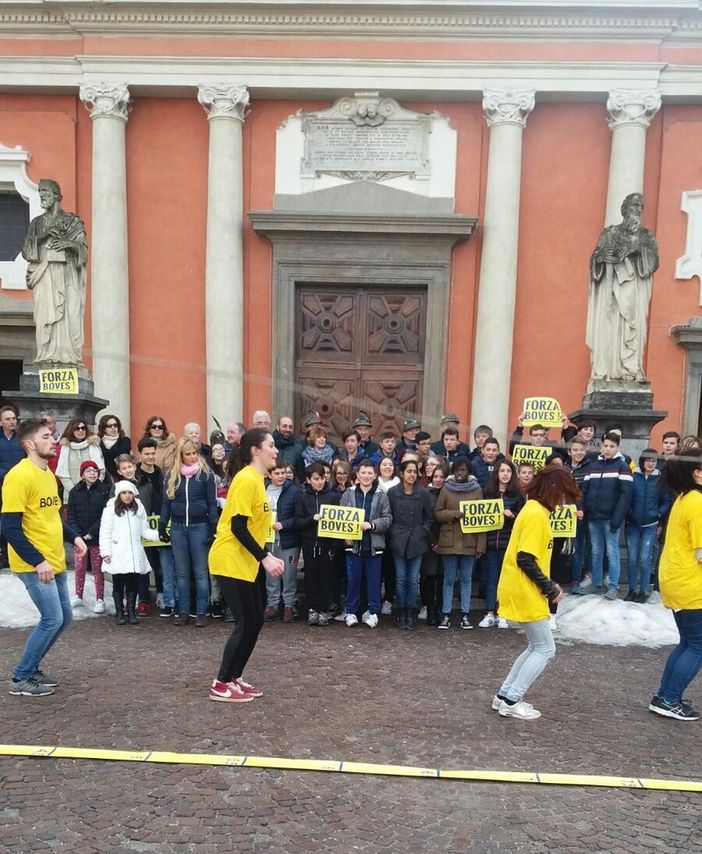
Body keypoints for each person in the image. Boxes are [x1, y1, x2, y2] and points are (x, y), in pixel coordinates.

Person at [1, 418, 87, 696]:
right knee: (51, 618)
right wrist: (38, 561)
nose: (53, 441)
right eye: (47, 436)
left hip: (53, 560)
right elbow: (9, 527)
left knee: (64, 618)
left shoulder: (48, 474)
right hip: (34, 563)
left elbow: (53, 517)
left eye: (53, 435)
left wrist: (73, 537)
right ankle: (20, 677)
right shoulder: (19, 476)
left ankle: (32, 667)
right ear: (29, 444)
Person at [492, 465, 580, 720]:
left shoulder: (533, 510)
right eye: (564, 495)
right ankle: (511, 699)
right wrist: (549, 587)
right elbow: (526, 558)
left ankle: (504, 696)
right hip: (525, 589)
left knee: (536, 646)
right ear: (554, 491)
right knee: (545, 649)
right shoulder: (536, 515)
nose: (564, 502)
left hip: (520, 586)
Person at [207, 428, 284, 703]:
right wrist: (265, 557)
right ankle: (220, 682)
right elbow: (238, 527)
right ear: (256, 450)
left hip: (244, 561)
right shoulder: (246, 480)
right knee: (244, 621)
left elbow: (252, 527)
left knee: (256, 619)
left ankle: (234, 678)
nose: (276, 451)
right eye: (271, 445)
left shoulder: (258, 481)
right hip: (229, 559)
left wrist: (263, 555)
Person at [648, 450, 702, 721]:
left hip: (678, 580)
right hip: (691, 583)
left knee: (688, 643)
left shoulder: (684, 498)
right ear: (697, 472)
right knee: (698, 645)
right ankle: (669, 699)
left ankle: (665, 696)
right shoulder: (697, 501)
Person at [586, 192, 659, 382]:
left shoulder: (646, 236)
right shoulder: (610, 233)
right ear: (624, 210)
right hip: (612, 292)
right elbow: (595, 258)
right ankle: (610, 370)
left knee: (632, 331)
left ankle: (630, 368)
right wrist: (602, 257)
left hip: (634, 291)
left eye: (640, 207)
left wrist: (635, 251)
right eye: (634, 206)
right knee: (610, 328)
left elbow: (653, 263)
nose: (637, 211)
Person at [21, 178, 88, 365]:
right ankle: (46, 355)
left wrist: (68, 244)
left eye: (46, 193)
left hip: (67, 278)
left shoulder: (72, 221)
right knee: (44, 317)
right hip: (44, 276)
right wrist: (44, 235)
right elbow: (27, 250)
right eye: (40, 193)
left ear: (57, 196)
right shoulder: (37, 223)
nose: (42, 196)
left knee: (67, 314)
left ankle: (66, 358)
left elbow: (83, 250)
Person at [160, 437, 218, 627]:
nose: (192, 457)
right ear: (180, 456)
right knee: (182, 573)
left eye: (194, 453)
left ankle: (201, 611)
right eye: (188, 454)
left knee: (201, 572)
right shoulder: (171, 475)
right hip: (177, 527)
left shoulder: (205, 474)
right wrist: (162, 525)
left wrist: (213, 526)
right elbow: (166, 503)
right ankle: (183, 611)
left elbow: (211, 503)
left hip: (199, 526)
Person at [434, 456, 485, 630]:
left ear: (468, 471)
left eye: (463, 470)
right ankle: (446, 614)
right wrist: (454, 514)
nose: (459, 473)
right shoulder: (446, 489)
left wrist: (480, 546)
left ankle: (465, 614)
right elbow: (438, 513)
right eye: (456, 470)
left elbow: (482, 520)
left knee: (466, 580)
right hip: (448, 542)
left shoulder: (477, 490)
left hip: (469, 542)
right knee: (448, 580)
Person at [340, 460, 392, 628]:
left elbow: (387, 518)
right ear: (357, 474)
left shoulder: (381, 495)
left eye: (370, 473)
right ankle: (351, 612)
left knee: (374, 581)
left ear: (374, 475)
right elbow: (341, 516)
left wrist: (372, 525)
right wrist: (344, 535)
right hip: (353, 546)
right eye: (363, 473)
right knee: (353, 581)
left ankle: (374, 612)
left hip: (373, 546)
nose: (366, 476)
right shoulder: (348, 494)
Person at [581, 431, 633, 599]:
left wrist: (617, 519)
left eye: (612, 446)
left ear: (618, 447)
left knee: (612, 553)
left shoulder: (622, 467)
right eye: (606, 446)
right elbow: (584, 490)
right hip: (594, 518)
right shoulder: (593, 466)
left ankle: (613, 586)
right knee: (596, 552)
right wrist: (583, 508)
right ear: (601, 446)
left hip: (611, 519)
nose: (608, 449)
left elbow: (625, 496)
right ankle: (596, 584)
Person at [100, 481, 159, 625]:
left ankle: (132, 611)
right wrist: (106, 552)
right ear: (119, 494)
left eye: (130, 493)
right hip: (118, 552)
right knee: (118, 583)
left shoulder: (138, 509)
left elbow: (143, 529)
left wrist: (158, 535)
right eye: (124, 493)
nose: (127, 496)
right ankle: (120, 612)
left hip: (134, 552)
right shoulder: (110, 510)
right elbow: (105, 532)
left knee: (133, 583)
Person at [387, 459, 433, 629]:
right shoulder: (392, 493)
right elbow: (388, 515)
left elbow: (429, 518)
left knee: (413, 579)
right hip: (399, 540)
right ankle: (400, 612)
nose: (412, 475)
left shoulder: (423, 494)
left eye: (415, 472)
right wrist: (394, 532)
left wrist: (422, 532)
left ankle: (411, 612)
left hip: (417, 540)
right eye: (409, 471)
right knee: (400, 579)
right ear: (402, 473)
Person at [479, 460, 525, 629]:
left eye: (508, 471)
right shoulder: (488, 493)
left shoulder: (517, 496)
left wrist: (512, 516)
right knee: (491, 579)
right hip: (491, 543)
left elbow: (522, 521)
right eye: (502, 471)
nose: (505, 474)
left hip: (508, 544)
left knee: (505, 580)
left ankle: (503, 613)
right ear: (496, 473)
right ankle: (490, 613)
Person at [294, 462, 341, 626]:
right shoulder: (302, 496)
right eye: (316, 479)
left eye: (322, 478)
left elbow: (338, 522)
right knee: (311, 578)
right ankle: (312, 609)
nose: (319, 482)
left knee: (326, 578)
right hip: (309, 542)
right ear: (308, 479)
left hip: (327, 544)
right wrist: (311, 519)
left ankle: (323, 609)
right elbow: (297, 521)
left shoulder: (333, 496)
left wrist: (335, 546)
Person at [625, 449, 670, 603]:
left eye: (654, 461)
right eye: (648, 460)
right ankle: (632, 590)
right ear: (642, 461)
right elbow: (627, 498)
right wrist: (630, 513)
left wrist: (658, 514)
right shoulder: (633, 477)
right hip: (632, 525)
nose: (651, 463)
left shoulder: (660, 480)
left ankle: (644, 591)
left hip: (650, 525)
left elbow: (666, 501)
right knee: (632, 559)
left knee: (645, 559)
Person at [66, 460, 110, 612]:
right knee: (80, 567)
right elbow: (70, 516)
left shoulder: (105, 490)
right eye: (89, 471)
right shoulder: (75, 491)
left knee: (98, 569)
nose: (93, 473)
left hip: (97, 537)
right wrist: (77, 535)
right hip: (79, 539)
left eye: (95, 471)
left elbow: (105, 514)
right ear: (82, 474)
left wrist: (92, 532)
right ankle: (78, 595)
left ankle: (100, 599)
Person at [263, 463, 300, 623]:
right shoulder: (262, 489)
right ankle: (272, 605)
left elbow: (299, 516)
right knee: (271, 575)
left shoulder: (293, 491)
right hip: (268, 538)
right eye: (277, 473)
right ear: (269, 475)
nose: (280, 476)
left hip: (288, 539)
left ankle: (289, 605)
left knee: (289, 574)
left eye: (283, 473)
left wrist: (284, 524)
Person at [419, 466, 446, 625]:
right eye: (435, 476)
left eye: (441, 477)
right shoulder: (425, 494)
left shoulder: (449, 493)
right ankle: (429, 609)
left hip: (446, 541)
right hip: (428, 541)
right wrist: (432, 542)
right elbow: (424, 519)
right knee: (428, 577)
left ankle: (439, 609)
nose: (438, 480)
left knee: (442, 578)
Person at [55, 418, 105, 499]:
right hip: (72, 495)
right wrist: (74, 491)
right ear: (71, 430)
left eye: (83, 428)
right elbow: (62, 474)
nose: (81, 431)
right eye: (77, 429)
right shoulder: (65, 448)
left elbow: (101, 470)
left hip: (94, 493)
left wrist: (93, 488)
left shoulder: (94, 446)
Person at [0, 405, 25, 568]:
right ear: (1, 422)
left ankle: (18, 554)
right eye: (8, 419)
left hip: (19, 484)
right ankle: (3, 555)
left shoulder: (22, 438)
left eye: (14, 418)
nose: (12, 421)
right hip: (1, 483)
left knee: (19, 519)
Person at [97, 414, 131, 481]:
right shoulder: (98, 442)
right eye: (109, 426)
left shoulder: (125, 441)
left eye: (115, 425)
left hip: (122, 476)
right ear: (103, 428)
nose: (113, 428)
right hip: (104, 478)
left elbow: (123, 455)